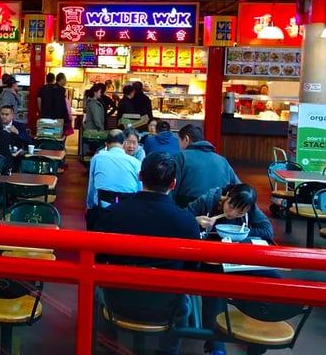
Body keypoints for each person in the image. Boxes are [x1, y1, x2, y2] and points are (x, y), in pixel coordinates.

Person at [94, 151, 201, 355]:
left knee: (100, 292)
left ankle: (110, 348)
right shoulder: (187, 222)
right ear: (173, 184)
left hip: (118, 299)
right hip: (167, 306)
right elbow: (192, 268)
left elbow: (99, 257)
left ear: (140, 176)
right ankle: (167, 352)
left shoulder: (113, 214)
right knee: (183, 301)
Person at [188, 183, 276, 355]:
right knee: (215, 289)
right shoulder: (208, 201)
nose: (232, 214)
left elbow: (267, 230)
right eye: (231, 206)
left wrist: (242, 232)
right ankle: (216, 346)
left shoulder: (248, 206)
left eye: (240, 212)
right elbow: (181, 220)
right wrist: (195, 222)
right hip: (208, 261)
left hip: (237, 260)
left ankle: (257, 339)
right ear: (226, 196)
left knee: (273, 279)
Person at [85, 129, 141, 230]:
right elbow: (139, 191)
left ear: (106, 144)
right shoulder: (136, 163)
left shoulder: (96, 159)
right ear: (124, 143)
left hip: (102, 213)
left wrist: (89, 206)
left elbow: (91, 187)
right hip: (127, 216)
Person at [173, 124, 240, 206]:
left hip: (188, 209)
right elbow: (239, 188)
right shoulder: (222, 160)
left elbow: (171, 187)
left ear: (186, 139)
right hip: (216, 210)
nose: (179, 146)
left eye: (179, 141)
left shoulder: (181, 156)